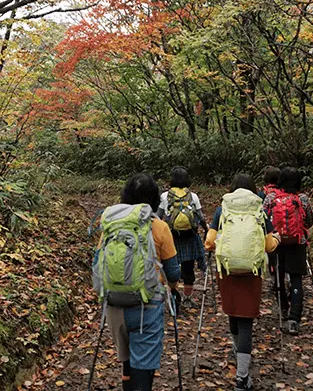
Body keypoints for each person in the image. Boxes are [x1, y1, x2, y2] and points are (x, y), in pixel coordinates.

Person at [94, 173, 181, 391]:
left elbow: (98, 263)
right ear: (153, 198)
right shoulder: (159, 227)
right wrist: (173, 289)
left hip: (114, 305)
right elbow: (173, 272)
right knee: (142, 365)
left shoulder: (111, 225)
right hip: (146, 307)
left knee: (126, 362)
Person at [204, 173, 280, 391]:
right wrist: (276, 239)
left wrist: (217, 247)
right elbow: (268, 245)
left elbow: (209, 242)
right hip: (252, 270)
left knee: (232, 311)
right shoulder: (260, 210)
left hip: (227, 269)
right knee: (246, 318)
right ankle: (242, 376)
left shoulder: (223, 209)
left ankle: (238, 351)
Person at [263, 166, 313, 335]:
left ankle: (283, 309)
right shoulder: (302, 199)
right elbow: (310, 220)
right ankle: (294, 319)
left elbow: (263, 218)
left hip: (276, 242)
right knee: (296, 280)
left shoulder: (271, 198)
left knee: (278, 277)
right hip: (297, 242)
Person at [157, 166, 207, 306]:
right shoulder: (193, 196)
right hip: (189, 237)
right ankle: (187, 298)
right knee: (188, 268)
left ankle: (172, 294)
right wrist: (206, 229)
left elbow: (158, 216)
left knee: (171, 266)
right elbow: (201, 217)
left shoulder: (165, 196)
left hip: (171, 236)